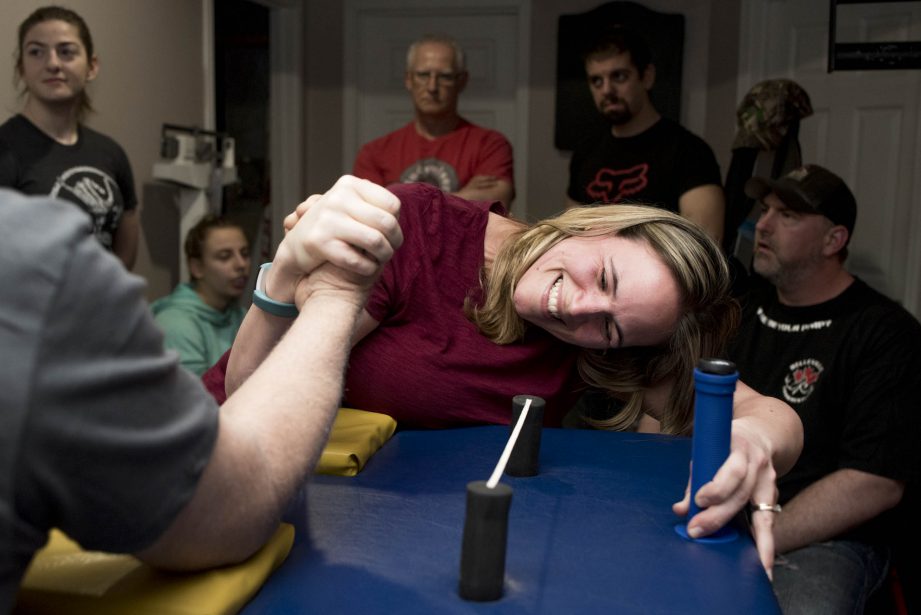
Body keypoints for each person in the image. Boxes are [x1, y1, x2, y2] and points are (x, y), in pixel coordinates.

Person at [213, 175, 803, 576]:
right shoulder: (420, 226)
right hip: (228, 460)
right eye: (603, 276)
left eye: (612, 328)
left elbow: (773, 415)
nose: (577, 309)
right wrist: (283, 274)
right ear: (597, 225)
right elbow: (253, 396)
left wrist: (754, 441)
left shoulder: (601, 345)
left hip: (368, 513)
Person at [0, 179, 403, 613]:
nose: (237, 265)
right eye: (221, 256)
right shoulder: (34, 262)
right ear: (195, 265)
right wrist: (335, 293)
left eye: (242, 255)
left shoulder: (229, 312)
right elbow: (231, 498)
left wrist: (282, 275)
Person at [727, 164, 921, 613]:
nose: (763, 225)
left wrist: (761, 536)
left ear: (834, 240)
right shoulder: (737, 311)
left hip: (821, 537)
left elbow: (874, 482)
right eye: (765, 210)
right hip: (724, 510)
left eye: (788, 215)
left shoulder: (885, 333)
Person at [0, 6, 139, 270]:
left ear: (91, 66)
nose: (52, 63)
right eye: (36, 52)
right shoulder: (4, 150)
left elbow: (124, 252)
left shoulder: (110, 152)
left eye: (66, 52)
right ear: (21, 69)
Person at [565, 26, 724, 244]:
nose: (607, 90)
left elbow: (705, 244)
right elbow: (571, 232)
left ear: (646, 77)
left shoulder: (689, 151)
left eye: (619, 76)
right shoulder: (585, 152)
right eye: (597, 81)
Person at [352, 34, 515, 209]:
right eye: (423, 75)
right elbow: (368, 213)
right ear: (409, 79)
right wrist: (463, 197)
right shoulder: (374, 153)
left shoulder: (490, 145)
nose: (432, 87)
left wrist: (401, 204)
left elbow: (497, 202)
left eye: (444, 76)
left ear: (461, 81)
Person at [152, 214, 251, 376]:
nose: (241, 264)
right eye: (225, 256)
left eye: (245, 253)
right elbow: (195, 397)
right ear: (197, 267)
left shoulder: (242, 315)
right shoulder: (175, 324)